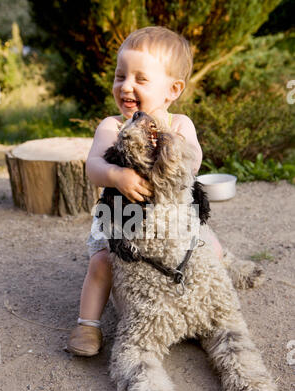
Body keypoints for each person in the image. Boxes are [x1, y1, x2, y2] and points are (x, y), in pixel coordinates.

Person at [66, 26, 223, 356]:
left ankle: (198, 307)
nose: (126, 86)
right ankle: (88, 324)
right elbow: (93, 167)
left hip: (173, 220)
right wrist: (117, 174)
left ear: (172, 89)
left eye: (140, 79)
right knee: (101, 264)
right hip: (121, 218)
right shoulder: (111, 127)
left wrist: (169, 149)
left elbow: (193, 160)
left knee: (213, 251)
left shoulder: (178, 125)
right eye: (120, 76)